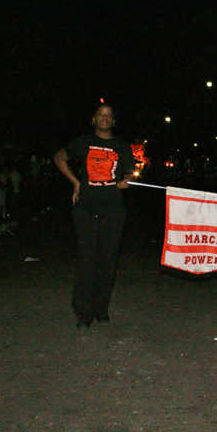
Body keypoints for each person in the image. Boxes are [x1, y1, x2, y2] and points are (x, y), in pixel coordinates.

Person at [54, 104, 135, 329]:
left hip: (113, 207)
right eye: (101, 114)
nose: (105, 118)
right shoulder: (83, 141)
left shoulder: (121, 145)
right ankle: (83, 311)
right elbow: (59, 157)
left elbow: (131, 171)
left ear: (114, 120)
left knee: (108, 259)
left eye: (109, 115)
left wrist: (126, 181)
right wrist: (75, 182)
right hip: (86, 207)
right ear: (94, 119)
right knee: (86, 258)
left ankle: (101, 308)